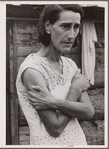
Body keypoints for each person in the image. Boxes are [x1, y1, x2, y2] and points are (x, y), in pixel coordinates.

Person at [16, 4, 94, 145]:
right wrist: (74, 90)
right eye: (65, 26)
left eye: (76, 27)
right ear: (48, 26)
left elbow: (88, 111)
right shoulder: (32, 69)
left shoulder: (70, 65)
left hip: (78, 142)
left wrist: (52, 101)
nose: (71, 35)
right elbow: (55, 128)